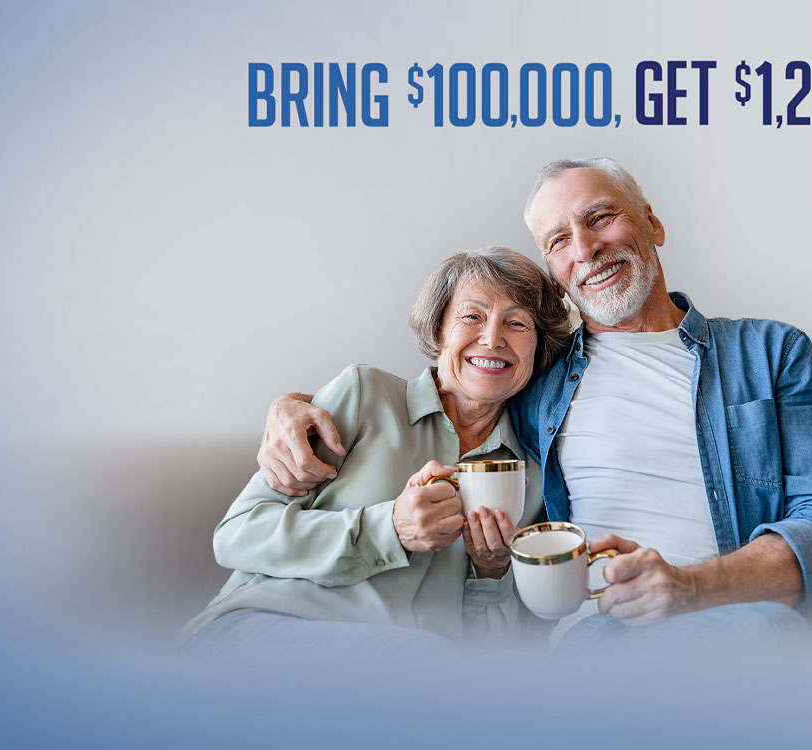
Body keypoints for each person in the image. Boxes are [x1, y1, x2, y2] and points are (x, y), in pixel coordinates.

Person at [257, 157, 812, 650]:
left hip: (753, 619)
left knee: (771, 636)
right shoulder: (536, 376)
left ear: (652, 225)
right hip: (602, 632)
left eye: (600, 218)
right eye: (558, 240)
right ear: (553, 268)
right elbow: (450, 384)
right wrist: (294, 406)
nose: (585, 248)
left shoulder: (771, 351)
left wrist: (689, 588)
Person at [180, 246, 572, 655]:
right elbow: (237, 535)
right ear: (439, 331)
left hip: (405, 674)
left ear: (538, 347)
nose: (492, 339)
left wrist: (491, 575)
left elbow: (493, 654)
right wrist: (390, 529)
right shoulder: (365, 394)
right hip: (260, 629)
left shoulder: (529, 477)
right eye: (472, 316)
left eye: (517, 323)